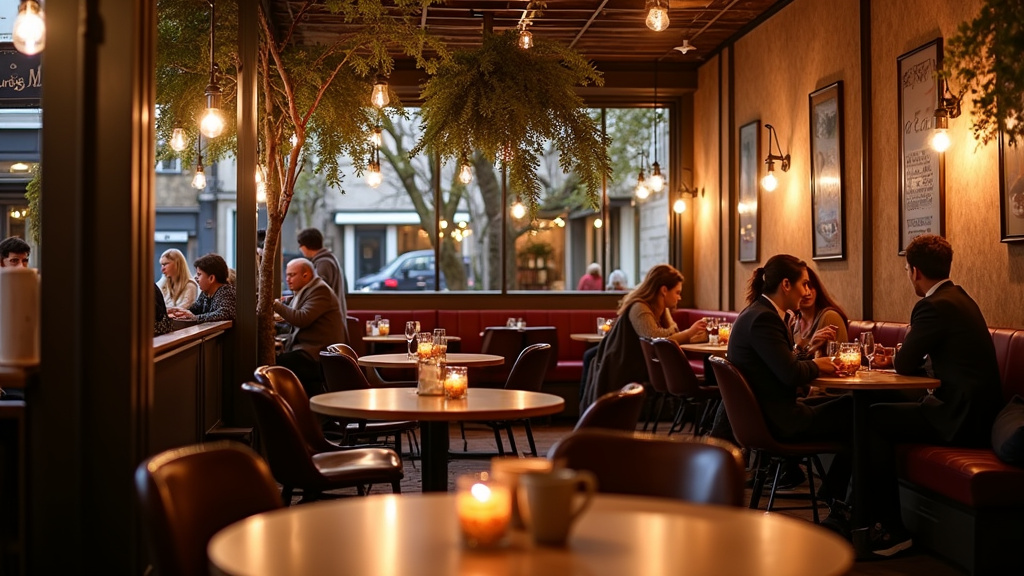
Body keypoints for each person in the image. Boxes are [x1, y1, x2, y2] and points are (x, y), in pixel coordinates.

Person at [864, 235, 1003, 557]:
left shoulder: (931, 305)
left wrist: (898, 357)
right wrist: (900, 357)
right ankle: (858, 510)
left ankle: (890, 529)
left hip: (961, 418)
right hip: (980, 413)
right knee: (879, 409)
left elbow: (905, 363)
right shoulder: (960, 298)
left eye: (906, 270)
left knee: (873, 418)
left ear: (915, 271)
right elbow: (944, 359)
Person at [727, 255, 851, 517]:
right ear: (786, 284)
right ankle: (843, 507)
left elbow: (783, 364)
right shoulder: (765, 319)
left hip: (760, 418)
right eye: (803, 283)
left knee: (848, 405)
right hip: (779, 422)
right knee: (859, 414)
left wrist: (810, 357)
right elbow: (790, 373)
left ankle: (836, 497)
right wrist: (820, 364)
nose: (806, 291)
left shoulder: (756, 313)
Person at [580, 264, 705, 413]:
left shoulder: (662, 308)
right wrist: (689, 333)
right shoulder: (639, 307)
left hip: (642, 362)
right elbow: (655, 338)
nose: (680, 297)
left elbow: (671, 333)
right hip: (624, 363)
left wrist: (695, 335)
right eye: (677, 292)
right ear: (664, 290)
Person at [273, 258, 345, 397]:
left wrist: (275, 304)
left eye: (292, 275)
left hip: (319, 355)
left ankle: (293, 406)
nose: (287, 279)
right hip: (309, 351)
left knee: (273, 365)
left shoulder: (320, 290)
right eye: (287, 275)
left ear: (306, 275)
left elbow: (301, 319)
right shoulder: (305, 291)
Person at [297, 227, 349, 343]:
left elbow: (318, 292)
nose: (300, 249)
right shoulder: (328, 259)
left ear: (305, 246)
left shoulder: (323, 263)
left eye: (300, 245)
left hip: (328, 324)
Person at [789, 266, 847, 357]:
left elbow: (837, 359)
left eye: (811, 286)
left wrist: (809, 349)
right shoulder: (793, 320)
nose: (807, 293)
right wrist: (809, 347)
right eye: (803, 287)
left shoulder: (830, 316)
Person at [167, 253, 236, 322]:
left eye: (199, 274)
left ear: (211, 278)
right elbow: (195, 309)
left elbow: (223, 314)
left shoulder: (227, 291)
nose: (196, 278)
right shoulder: (205, 293)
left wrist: (195, 317)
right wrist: (180, 311)